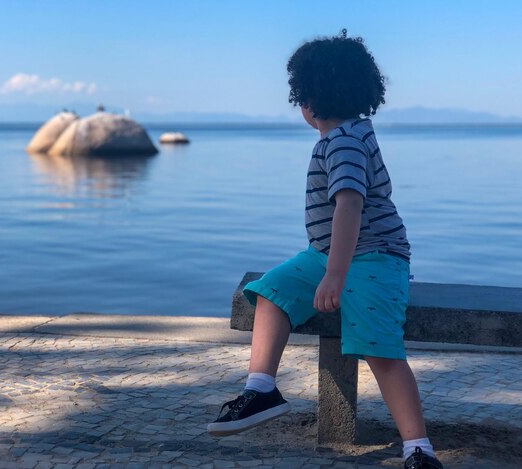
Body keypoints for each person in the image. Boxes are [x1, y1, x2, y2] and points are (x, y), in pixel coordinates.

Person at [207, 30, 443, 469]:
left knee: (379, 345)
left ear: (309, 102)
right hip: (326, 252)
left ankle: (418, 448)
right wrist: (328, 265)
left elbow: (349, 205)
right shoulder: (347, 135)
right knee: (269, 290)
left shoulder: (345, 142)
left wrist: (335, 275)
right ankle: (261, 389)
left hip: (375, 257)